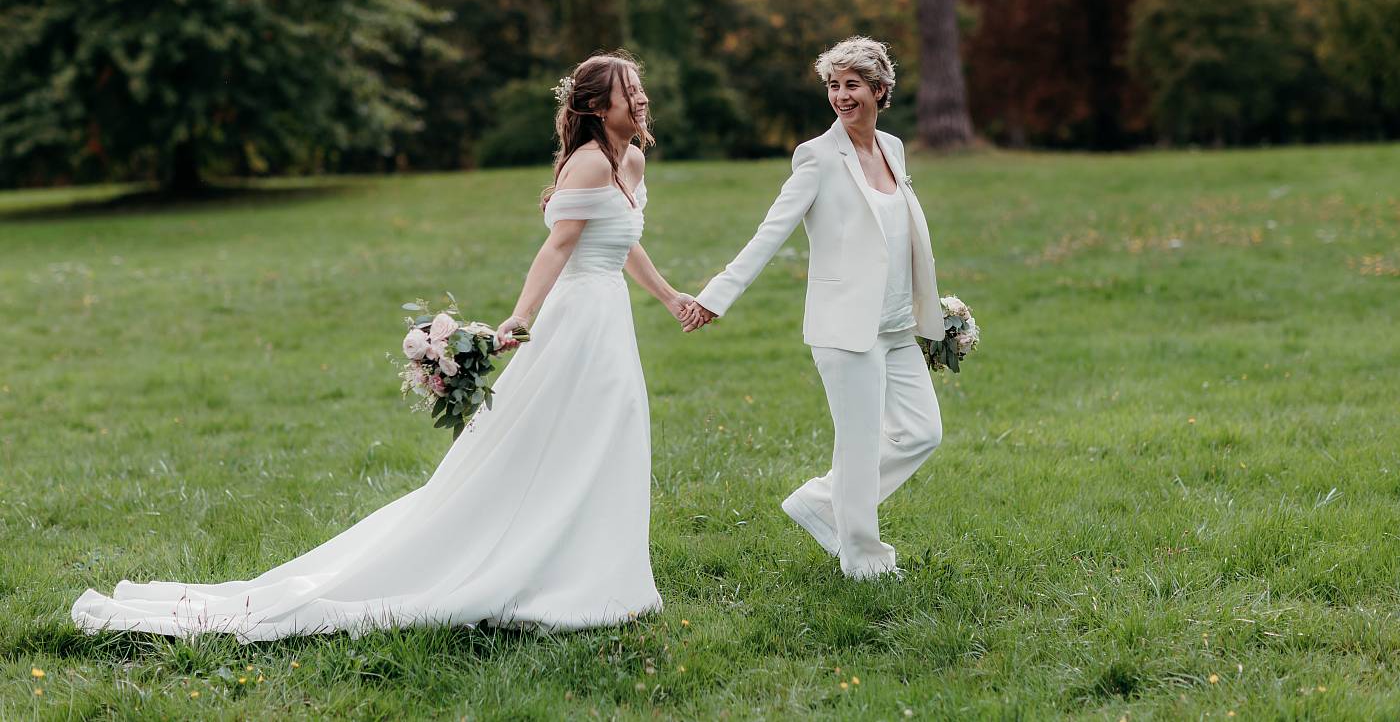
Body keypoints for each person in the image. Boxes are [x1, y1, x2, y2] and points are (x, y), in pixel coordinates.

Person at [72, 52, 693, 640]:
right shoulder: (586, 161)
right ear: (594, 104)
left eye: (639, 91)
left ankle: (598, 572)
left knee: (610, 430)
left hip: (608, 317)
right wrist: (518, 318)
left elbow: (620, 239)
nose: (640, 100)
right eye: (627, 92)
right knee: (562, 438)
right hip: (574, 321)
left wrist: (669, 298)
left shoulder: (630, 161)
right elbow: (559, 247)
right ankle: (551, 573)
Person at [681, 37, 943, 580]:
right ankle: (864, 559)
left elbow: (898, 236)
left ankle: (821, 502)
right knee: (860, 442)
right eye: (833, 85)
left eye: (852, 85)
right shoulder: (817, 157)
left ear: (880, 89)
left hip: (896, 324)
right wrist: (715, 296)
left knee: (922, 433)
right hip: (845, 327)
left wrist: (930, 303)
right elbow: (770, 232)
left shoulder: (893, 149)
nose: (841, 96)